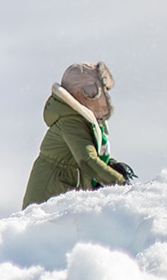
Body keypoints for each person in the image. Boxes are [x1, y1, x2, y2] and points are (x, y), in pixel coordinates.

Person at [22, 62, 135, 208]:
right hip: (46, 204)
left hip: (62, 201)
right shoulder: (71, 122)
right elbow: (87, 160)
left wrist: (111, 164)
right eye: (92, 90)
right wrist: (120, 182)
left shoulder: (86, 121)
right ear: (80, 93)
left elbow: (94, 153)